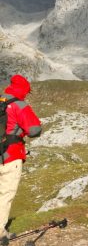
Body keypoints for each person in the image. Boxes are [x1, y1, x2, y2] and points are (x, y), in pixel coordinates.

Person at [0, 75, 41, 245]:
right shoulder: (19, 105)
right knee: (5, 194)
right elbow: (34, 129)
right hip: (12, 155)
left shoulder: (1, 101)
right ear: (24, 89)